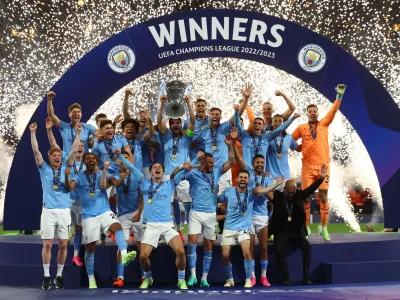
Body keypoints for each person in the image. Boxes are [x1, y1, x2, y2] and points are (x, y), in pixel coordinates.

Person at [117, 153, 192, 290]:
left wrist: (196, 159)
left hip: (167, 226)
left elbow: (187, 168)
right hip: (151, 226)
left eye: (160, 167)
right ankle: (147, 276)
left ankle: (181, 279)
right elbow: (132, 168)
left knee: (181, 251)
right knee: (143, 256)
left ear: (162, 172)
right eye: (154, 167)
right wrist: (121, 158)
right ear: (150, 172)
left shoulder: (170, 184)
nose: (157, 168)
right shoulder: (144, 183)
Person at [171, 134, 235, 288]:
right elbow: (174, 178)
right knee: (192, 243)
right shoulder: (193, 173)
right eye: (209, 163)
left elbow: (232, 161)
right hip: (196, 213)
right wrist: (182, 166)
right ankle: (192, 276)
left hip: (211, 215)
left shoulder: (217, 172)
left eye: (213, 163)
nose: (212, 165)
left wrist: (230, 145)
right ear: (203, 162)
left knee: (208, 246)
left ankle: (204, 278)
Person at [65, 155, 137, 289]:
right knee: (90, 247)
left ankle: (125, 255)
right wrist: (65, 175)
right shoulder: (78, 177)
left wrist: (119, 175)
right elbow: (69, 187)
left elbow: (113, 184)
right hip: (89, 216)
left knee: (117, 227)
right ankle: (91, 279)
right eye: (88, 159)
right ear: (84, 162)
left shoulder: (103, 173)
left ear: (96, 161)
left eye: (93, 158)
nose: (91, 160)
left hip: (104, 211)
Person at [291, 84, 347, 241]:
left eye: (315, 112)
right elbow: (291, 141)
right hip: (307, 167)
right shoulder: (301, 128)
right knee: (306, 198)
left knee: (323, 197)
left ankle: (323, 228)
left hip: (323, 166)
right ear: (307, 114)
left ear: (317, 113)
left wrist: (339, 97)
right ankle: (307, 227)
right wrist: (298, 147)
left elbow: (334, 112)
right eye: (310, 112)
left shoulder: (324, 124)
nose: (313, 114)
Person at [30, 121, 81, 289]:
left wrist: (79, 133)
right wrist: (33, 133)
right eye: (54, 156)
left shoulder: (67, 166)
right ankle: (46, 276)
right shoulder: (43, 169)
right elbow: (36, 151)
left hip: (64, 211)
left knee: (64, 244)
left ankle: (59, 275)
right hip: (48, 211)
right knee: (47, 244)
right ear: (50, 157)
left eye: (59, 155)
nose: (57, 157)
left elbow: (74, 150)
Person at [262, 164, 328, 285]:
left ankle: (306, 277)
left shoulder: (299, 194)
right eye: (289, 193)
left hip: (296, 233)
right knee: (278, 248)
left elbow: (310, 189)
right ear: (284, 190)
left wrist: (321, 178)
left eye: (293, 192)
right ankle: (286, 277)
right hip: (281, 232)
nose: (291, 195)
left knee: (307, 247)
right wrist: (272, 181)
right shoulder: (277, 196)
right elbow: (265, 191)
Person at [218, 170, 283, 288]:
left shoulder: (252, 193)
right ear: (236, 179)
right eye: (241, 177)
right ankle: (230, 279)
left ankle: (248, 279)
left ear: (248, 180)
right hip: (229, 227)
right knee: (225, 256)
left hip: (244, 228)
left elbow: (264, 191)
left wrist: (277, 184)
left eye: (245, 178)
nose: (243, 179)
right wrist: (221, 207)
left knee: (247, 252)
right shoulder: (228, 191)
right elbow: (218, 200)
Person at [191, 84, 252, 193]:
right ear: (209, 116)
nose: (215, 116)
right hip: (209, 169)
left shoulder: (225, 127)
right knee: (210, 196)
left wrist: (245, 99)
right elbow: (194, 143)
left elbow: (238, 115)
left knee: (225, 199)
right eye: (212, 114)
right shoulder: (204, 130)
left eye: (217, 114)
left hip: (224, 168)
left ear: (220, 117)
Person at [232, 129, 273, 287]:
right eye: (258, 162)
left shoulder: (267, 178)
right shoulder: (247, 171)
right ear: (253, 164)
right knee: (249, 248)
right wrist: (235, 142)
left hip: (262, 216)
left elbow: (272, 198)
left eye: (262, 163)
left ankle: (264, 276)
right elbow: (238, 157)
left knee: (263, 247)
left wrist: (262, 189)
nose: (260, 165)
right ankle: (252, 276)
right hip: (248, 216)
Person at [46, 117, 85, 267]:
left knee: (79, 229)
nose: (80, 147)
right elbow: (53, 145)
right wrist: (49, 130)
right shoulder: (68, 160)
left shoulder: (88, 161)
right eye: (78, 145)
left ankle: (76, 256)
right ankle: (59, 254)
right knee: (65, 230)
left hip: (82, 202)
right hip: (67, 201)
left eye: (82, 146)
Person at [157, 94, 195, 242]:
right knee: (167, 204)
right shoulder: (166, 137)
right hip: (167, 176)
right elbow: (159, 121)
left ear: (180, 124)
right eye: (172, 123)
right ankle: (174, 230)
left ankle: (191, 230)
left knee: (187, 203)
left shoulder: (186, 137)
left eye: (177, 123)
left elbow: (192, 121)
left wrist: (188, 103)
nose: (175, 125)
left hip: (183, 174)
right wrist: (162, 104)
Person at [108, 152, 144, 288]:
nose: (123, 161)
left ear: (129, 160)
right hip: (122, 215)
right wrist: (121, 178)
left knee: (142, 246)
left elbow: (143, 196)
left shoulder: (137, 174)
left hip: (138, 214)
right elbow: (110, 197)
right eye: (120, 159)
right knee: (122, 246)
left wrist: (139, 211)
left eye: (126, 158)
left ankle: (145, 277)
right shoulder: (114, 174)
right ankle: (120, 277)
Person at [234, 109, 299, 170]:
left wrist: (292, 118)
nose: (257, 125)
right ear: (252, 125)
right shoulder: (245, 136)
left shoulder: (267, 137)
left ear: (263, 126)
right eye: (255, 123)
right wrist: (236, 112)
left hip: (261, 174)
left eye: (259, 124)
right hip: (247, 175)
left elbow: (281, 128)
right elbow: (237, 124)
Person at [122, 88, 159, 179]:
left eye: (145, 116)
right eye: (141, 115)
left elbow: (150, 136)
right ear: (136, 118)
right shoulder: (132, 130)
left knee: (145, 189)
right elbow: (125, 113)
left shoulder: (151, 132)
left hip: (146, 164)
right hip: (130, 164)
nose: (143, 117)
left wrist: (150, 121)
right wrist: (126, 97)